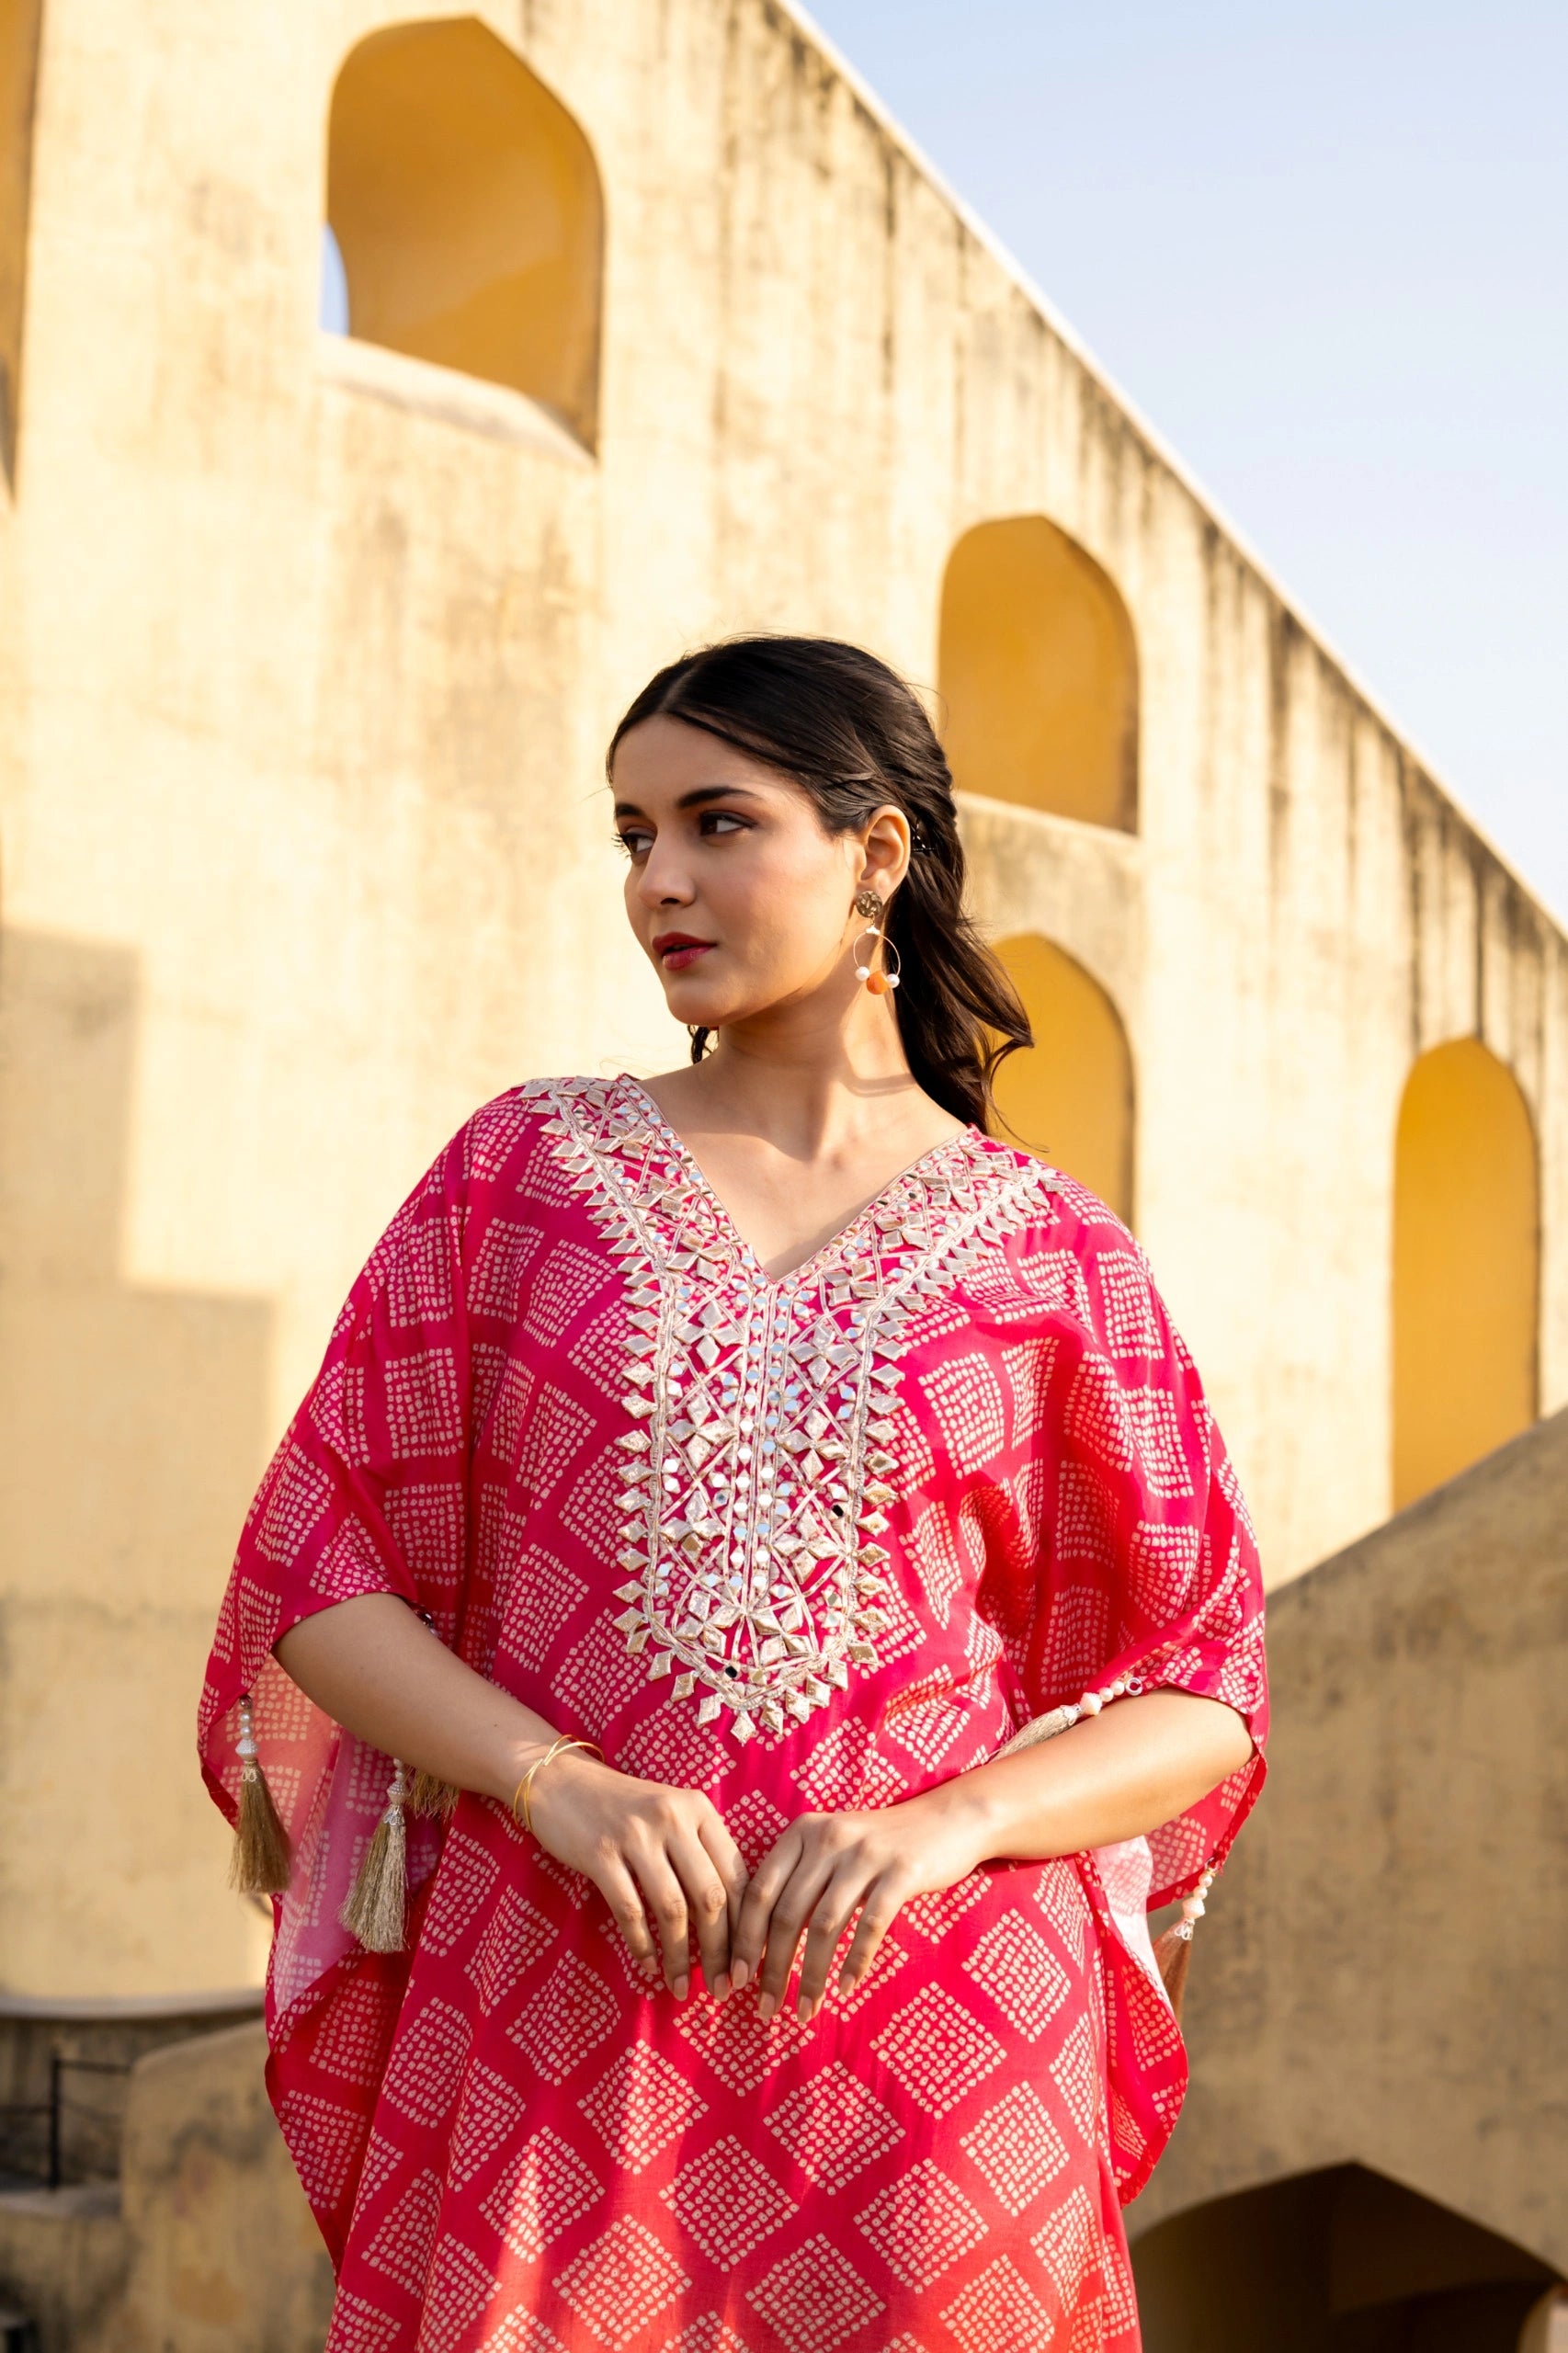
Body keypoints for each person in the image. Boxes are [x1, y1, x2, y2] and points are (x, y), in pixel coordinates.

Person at [199, 635, 1267, 2353]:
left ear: (877, 857)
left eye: (715, 823)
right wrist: (550, 1782)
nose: (659, 883)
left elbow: (1205, 1682)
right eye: (631, 835)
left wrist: (950, 1824)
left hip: (940, 2040)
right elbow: (320, 1572)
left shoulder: (1056, 1254)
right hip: (563, 1997)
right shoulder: (523, 1174)